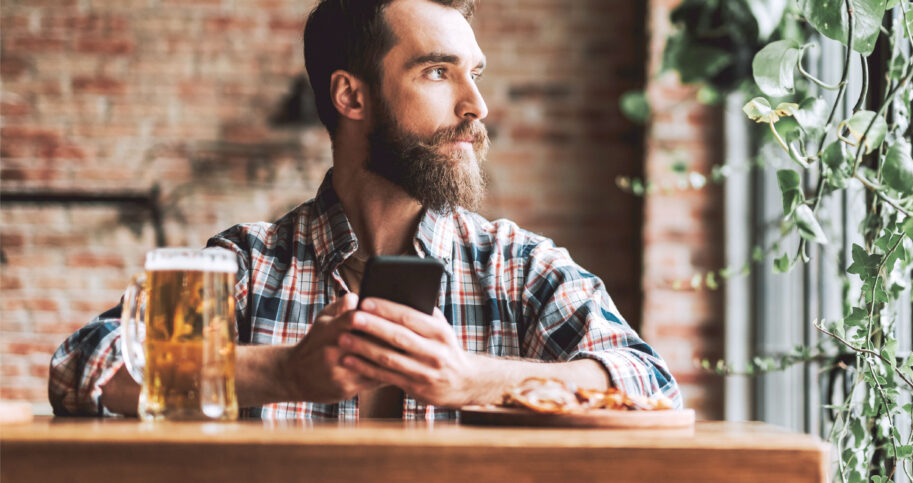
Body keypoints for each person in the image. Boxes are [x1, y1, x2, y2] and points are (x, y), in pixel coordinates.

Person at [48, 0, 680, 419]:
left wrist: (467, 379)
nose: (477, 106)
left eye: (476, 74)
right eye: (438, 72)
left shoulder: (522, 268)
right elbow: (85, 368)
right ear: (351, 95)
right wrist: (286, 373)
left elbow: (649, 385)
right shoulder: (246, 264)